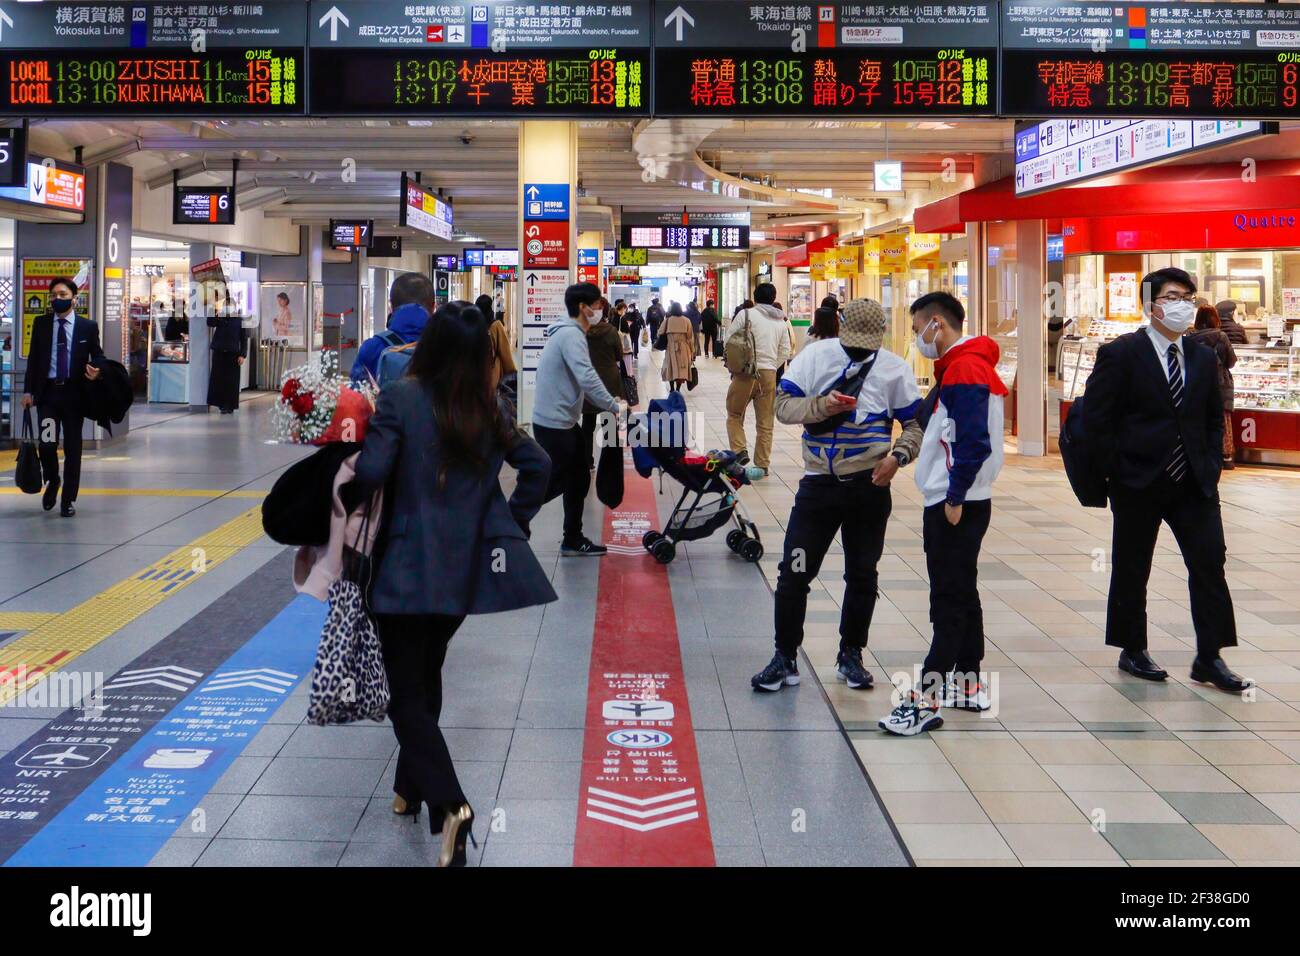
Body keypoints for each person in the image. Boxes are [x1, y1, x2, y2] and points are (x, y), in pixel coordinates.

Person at [348, 301, 556, 866]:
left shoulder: (404, 398)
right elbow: (538, 465)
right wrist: (510, 522)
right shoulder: (488, 405)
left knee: (402, 694)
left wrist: (339, 491)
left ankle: (451, 804)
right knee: (426, 670)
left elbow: (370, 474)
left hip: (403, 569)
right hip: (462, 570)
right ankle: (408, 789)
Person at [1082, 268, 1246, 692]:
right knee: (1133, 565)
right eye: (1173, 296)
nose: (1182, 305)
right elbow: (1097, 420)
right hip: (1139, 479)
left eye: (1188, 297)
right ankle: (1131, 647)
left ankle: (1210, 655)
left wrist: (1210, 462)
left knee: (1210, 562)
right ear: (1151, 304)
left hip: (1193, 479)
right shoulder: (1121, 354)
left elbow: (1213, 417)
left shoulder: (1201, 356)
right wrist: (1116, 468)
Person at [752, 298, 922, 693]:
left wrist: (898, 457)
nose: (858, 350)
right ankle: (785, 655)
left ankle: (851, 653)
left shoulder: (895, 369)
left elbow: (915, 424)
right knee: (794, 571)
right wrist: (821, 406)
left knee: (862, 574)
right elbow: (782, 407)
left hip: (870, 489)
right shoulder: (814, 358)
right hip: (817, 489)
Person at [879, 292, 1007, 736]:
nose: (918, 339)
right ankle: (968, 682)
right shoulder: (959, 366)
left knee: (948, 598)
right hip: (965, 498)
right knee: (961, 589)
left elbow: (972, 441)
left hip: (958, 502)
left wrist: (954, 496)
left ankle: (925, 698)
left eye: (917, 331)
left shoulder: (966, 369)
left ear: (937, 323)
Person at [532, 283, 623, 556]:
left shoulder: (570, 333)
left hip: (561, 421)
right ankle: (508, 519)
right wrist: (612, 405)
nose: (600, 310)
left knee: (579, 477)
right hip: (554, 422)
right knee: (559, 479)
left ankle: (572, 537)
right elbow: (586, 376)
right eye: (597, 305)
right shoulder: (571, 336)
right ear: (583, 308)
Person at [21, 277, 102, 518]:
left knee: (73, 448)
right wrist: (28, 391)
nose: (57, 299)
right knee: (46, 445)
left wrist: (97, 369)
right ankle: (53, 480)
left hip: (74, 397)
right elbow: (34, 360)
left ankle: (68, 499)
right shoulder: (42, 323)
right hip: (48, 396)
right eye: (54, 295)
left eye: (63, 295)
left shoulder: (88, 327)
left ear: (74, 298)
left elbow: (97, 355)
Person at [723, 282, 792, 481]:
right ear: (774, 297)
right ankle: (762, 465)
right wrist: (770, 365)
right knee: (765, 422)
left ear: (755, 296)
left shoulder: (745, 315)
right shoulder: (781, 321)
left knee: (734, 413)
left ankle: (739, 450)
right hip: (769, 374)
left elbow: (729, 340)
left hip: (745, 372)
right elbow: (785, 351)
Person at [350, 272, 436, 385]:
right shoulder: (450, 348)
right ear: (434, 306)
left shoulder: (372, 347)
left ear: (391, 306)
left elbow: (357, 395)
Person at [581, 297, 626, 468]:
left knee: (587, 424)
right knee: (609, 422)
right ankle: (610, 463)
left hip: (588, 382)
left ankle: (587, 461)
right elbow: (619, 356)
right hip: (608, 383)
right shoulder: (611, 331)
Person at [1190, 305, 1237, 470]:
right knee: (1223, 420)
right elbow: (1231, 361)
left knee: (1201, 418)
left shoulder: (1189, 336)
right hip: (1220, 383)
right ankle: (1226, 456)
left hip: (1196, 384)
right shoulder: (1221, 336)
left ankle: (1203, 452)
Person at [206, 297, 248, 415]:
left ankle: (230, 405)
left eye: (229, 305)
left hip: (233, 354)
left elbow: (243, 339)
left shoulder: (239, 320)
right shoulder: (220, 318)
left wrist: (243, 355)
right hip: (219, 352)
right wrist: (212, 308)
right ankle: (221, 404)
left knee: (231, 381)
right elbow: (210, 322)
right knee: (218, 380)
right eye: (226, 305)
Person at [476, 293, 516, 392]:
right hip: (493, 378)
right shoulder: (496, 326)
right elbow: (505, 354)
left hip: (478, 377)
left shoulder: (475, 326)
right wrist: (513, 373)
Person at [660, 302, 696, 392]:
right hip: (683, 348)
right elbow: (690, 338)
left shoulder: (667, 320)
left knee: (671, 368)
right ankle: (678, 389)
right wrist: (692, 351)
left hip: (671, 347)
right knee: (681, 370)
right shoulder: (686, 320)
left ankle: (672, 388)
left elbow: (660, 332)